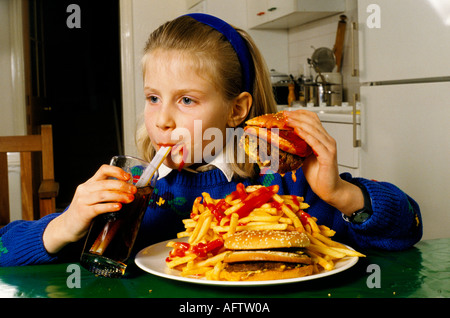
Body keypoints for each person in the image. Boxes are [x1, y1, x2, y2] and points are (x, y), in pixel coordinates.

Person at [0, 14, 422, 267]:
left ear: (236, 110)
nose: (162, 119)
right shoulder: (134, 192)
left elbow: (410, 226)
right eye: (152, 97)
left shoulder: (283, 183)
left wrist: (343, 194)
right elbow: (5, 248)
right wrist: (65, 225)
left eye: (186, 99)